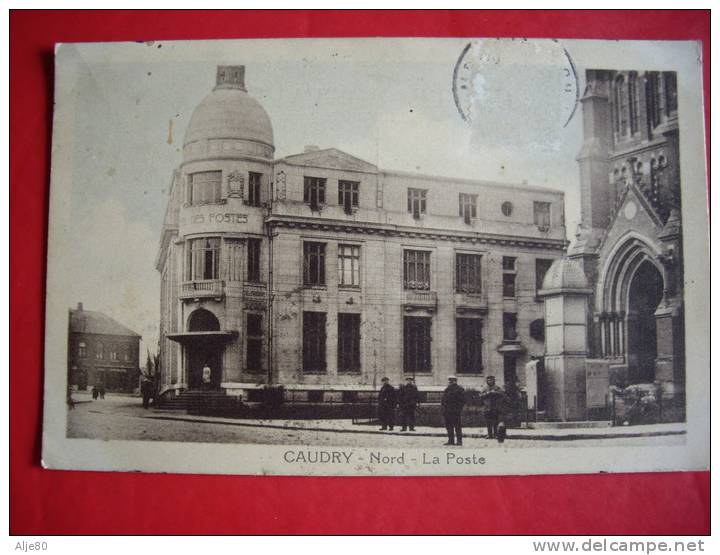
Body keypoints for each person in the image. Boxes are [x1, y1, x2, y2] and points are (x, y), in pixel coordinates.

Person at [441, 375, 465, 446]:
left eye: (452, 380)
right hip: (447, 411)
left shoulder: (459, 389)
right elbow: (443, 400)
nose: (451, 382)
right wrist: (443, 409)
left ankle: (459, 441)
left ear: (455, 381)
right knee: (449, 426)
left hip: (455, 411)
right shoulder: (447, 389)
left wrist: (459, 409)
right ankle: (451, 440)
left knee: (457, 426)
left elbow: (462, 401)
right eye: (450, 380)